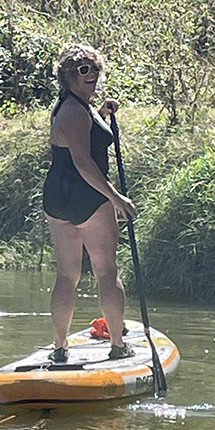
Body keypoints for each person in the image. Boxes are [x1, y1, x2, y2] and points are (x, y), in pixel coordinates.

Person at [42, 43, 136, 364]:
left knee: (67, 275)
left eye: (96, 69)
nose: (93, 75)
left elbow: (83, 132)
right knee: (107, 271)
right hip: (86, 194)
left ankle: (59, 347)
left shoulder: (73, 105)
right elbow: (83, 162)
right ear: (67, 76)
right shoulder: (74, 111)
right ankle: (118, 346)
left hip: (57, 195)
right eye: (84, 70)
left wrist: (103, 114)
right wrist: (116, 198)